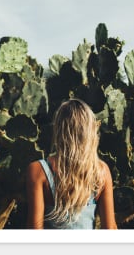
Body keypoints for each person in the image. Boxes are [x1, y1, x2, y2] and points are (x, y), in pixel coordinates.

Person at [26, 98, 117, 229]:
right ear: (90, 131)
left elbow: (34, 231)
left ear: (59, 129)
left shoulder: (38, 171)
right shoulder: (101, 171)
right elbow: (110, 229)